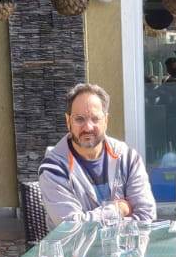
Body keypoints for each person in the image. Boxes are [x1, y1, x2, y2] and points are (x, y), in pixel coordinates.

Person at [38, 83, 156, 224]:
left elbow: (146, 216)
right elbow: (70, 226)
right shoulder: (53, 168)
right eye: (79, 119)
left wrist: (98, 224)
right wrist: (118, 210)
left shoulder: (128, 158)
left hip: (125, 240)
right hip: (78, 242)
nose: (88, 127)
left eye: (95, 119)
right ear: (68, 121)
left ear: (106, 121)